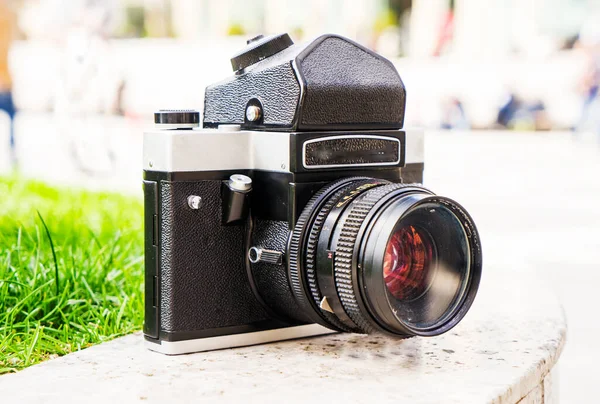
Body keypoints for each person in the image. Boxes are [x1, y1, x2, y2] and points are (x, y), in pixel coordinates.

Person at [0, 1, 16, 164]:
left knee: (11, 118)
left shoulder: (5, 14)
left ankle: (12, 148)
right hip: (3, 79)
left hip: (4, 79)